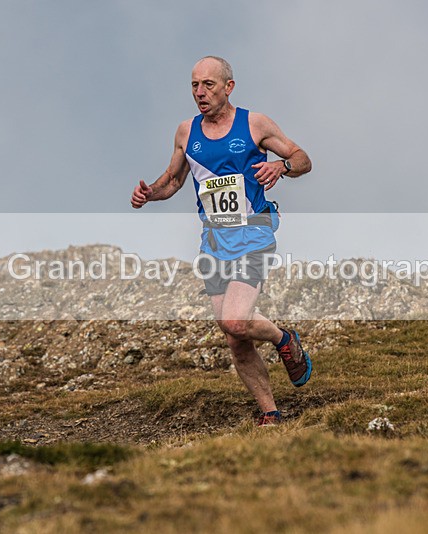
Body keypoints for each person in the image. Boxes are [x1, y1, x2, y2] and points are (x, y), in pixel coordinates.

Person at [130, 56, 313, 426]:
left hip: (254, 232)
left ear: (229, 87)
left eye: (208, 85)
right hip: (214, 241)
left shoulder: (254, 124)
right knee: (233, 336)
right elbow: (173, 180)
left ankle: (283, 339)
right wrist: (149, 194)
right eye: (194, 85)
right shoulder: (186, 132)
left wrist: (281, 166)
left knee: (235, 320)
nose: (200, 92)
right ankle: (271, 413)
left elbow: (302, 158)